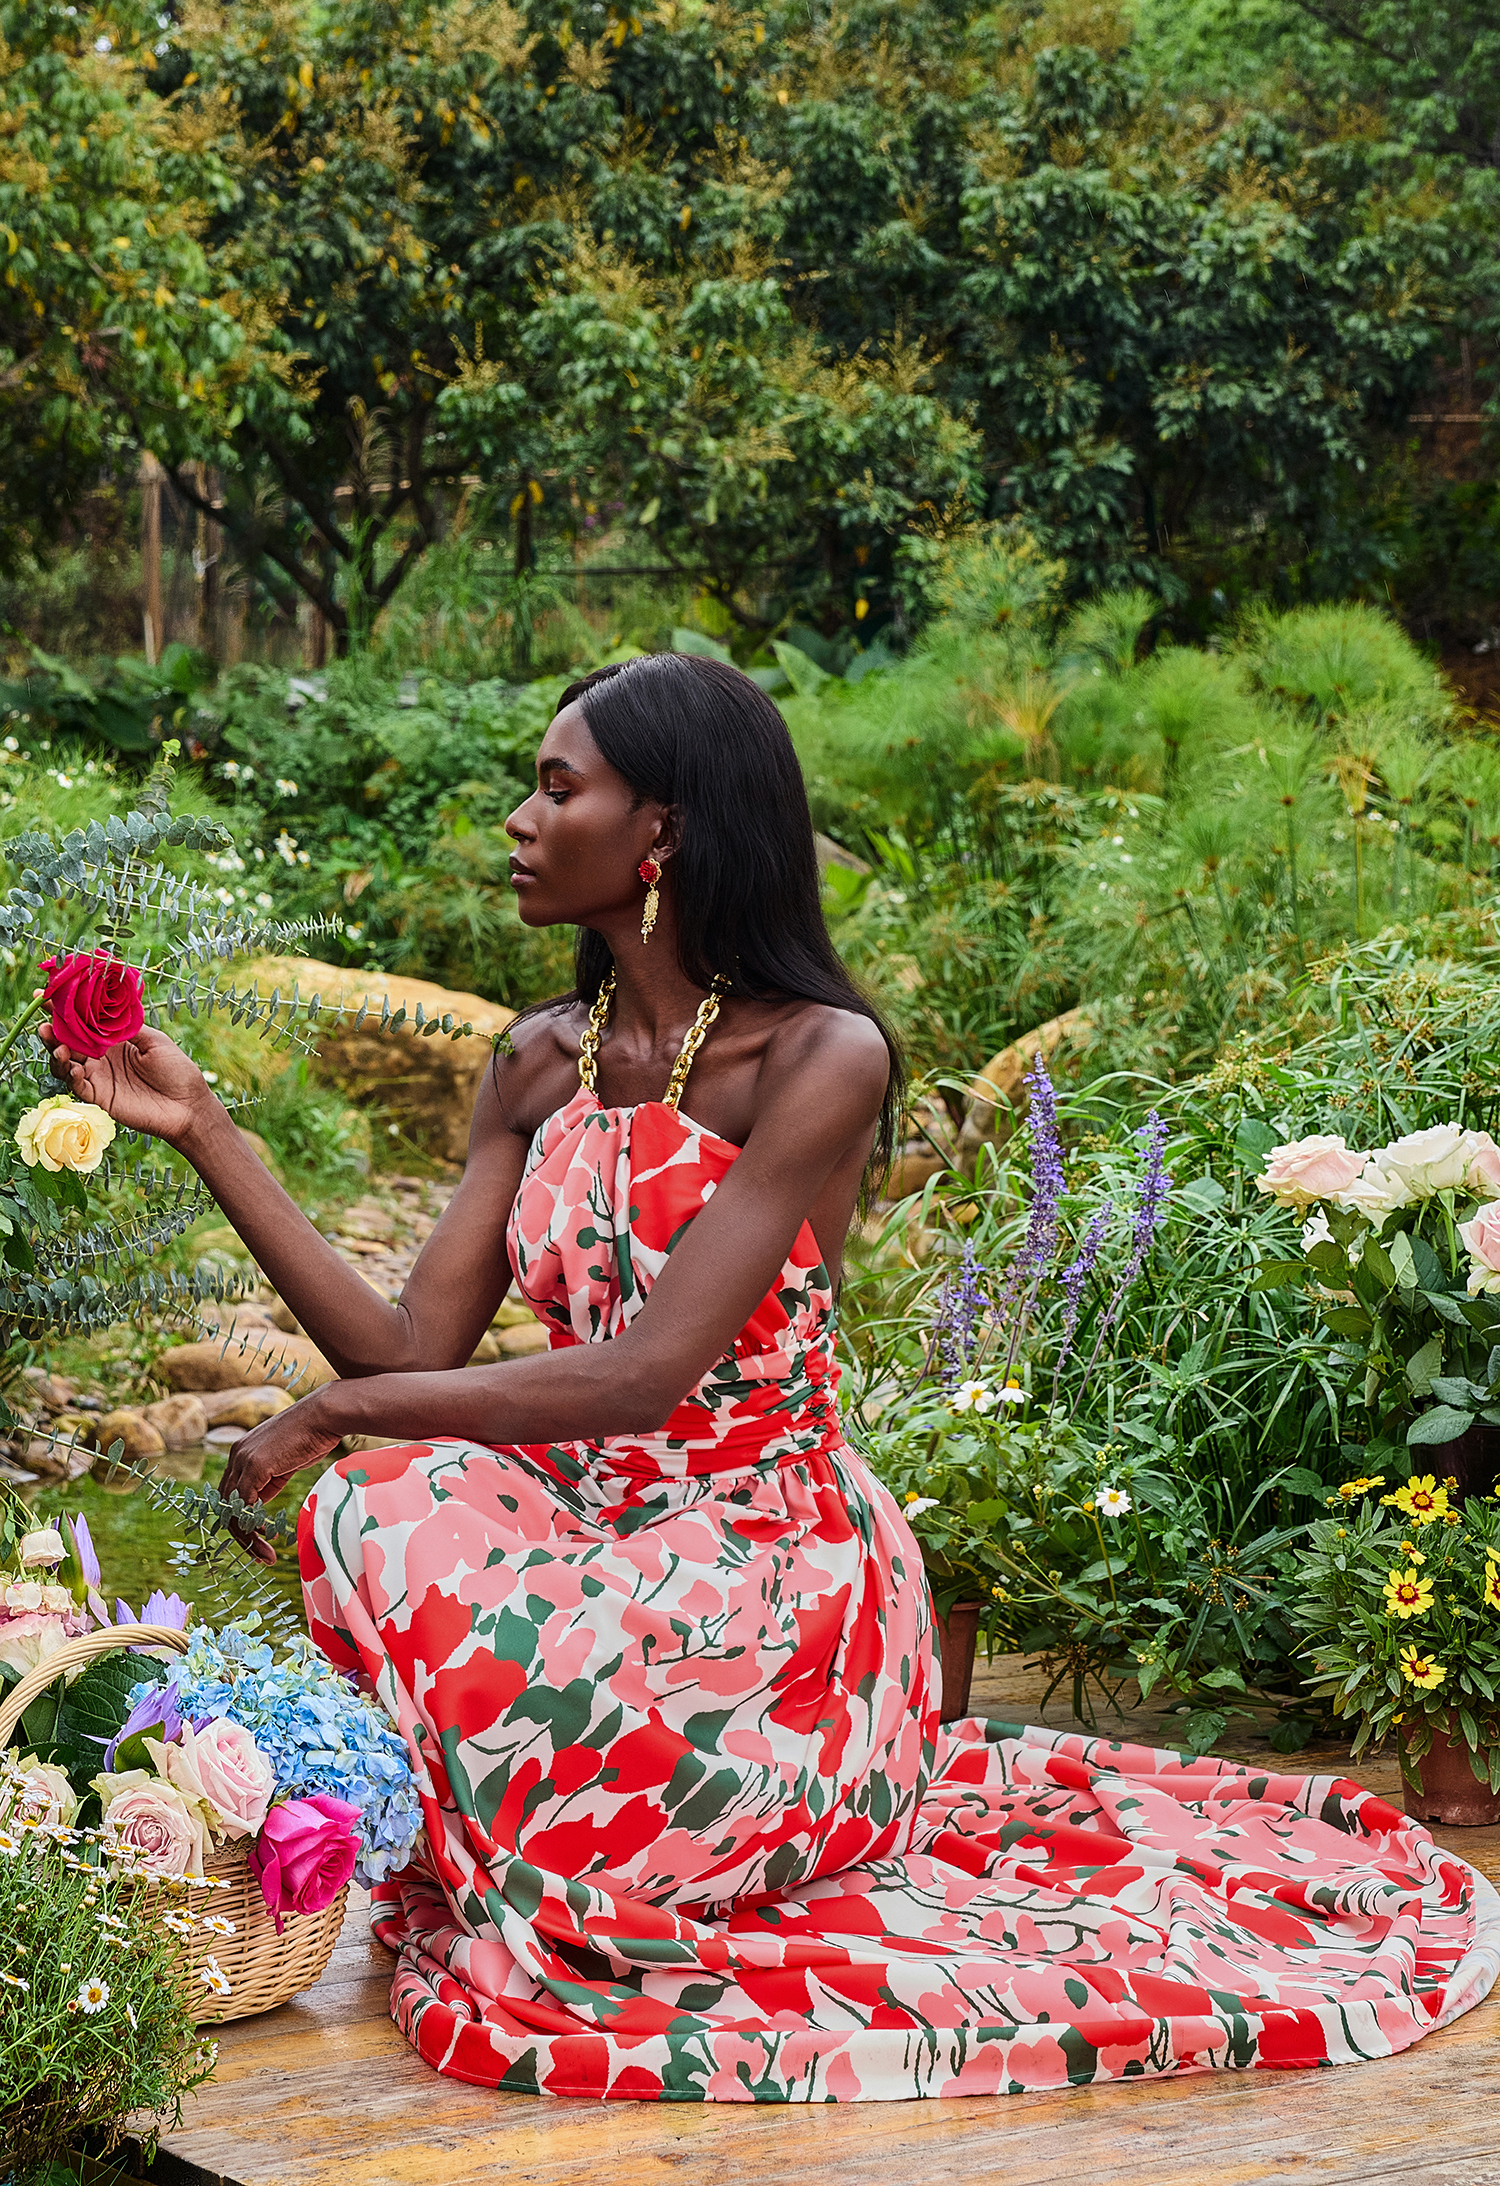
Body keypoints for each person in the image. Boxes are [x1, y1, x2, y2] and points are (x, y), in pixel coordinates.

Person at [44, 653, 1499, 2102]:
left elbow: (647, 1374)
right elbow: (405, 1350)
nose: (519, 818)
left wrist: (339, 1410)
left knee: (381, 1461)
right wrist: (205, 1126)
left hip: (772, 1570)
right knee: (384, 1505)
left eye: (560, 787)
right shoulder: (537, 1059)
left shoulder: (820, 1054)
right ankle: (582, 1827)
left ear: (661, 829)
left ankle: (663, 1817)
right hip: (594, 1539)